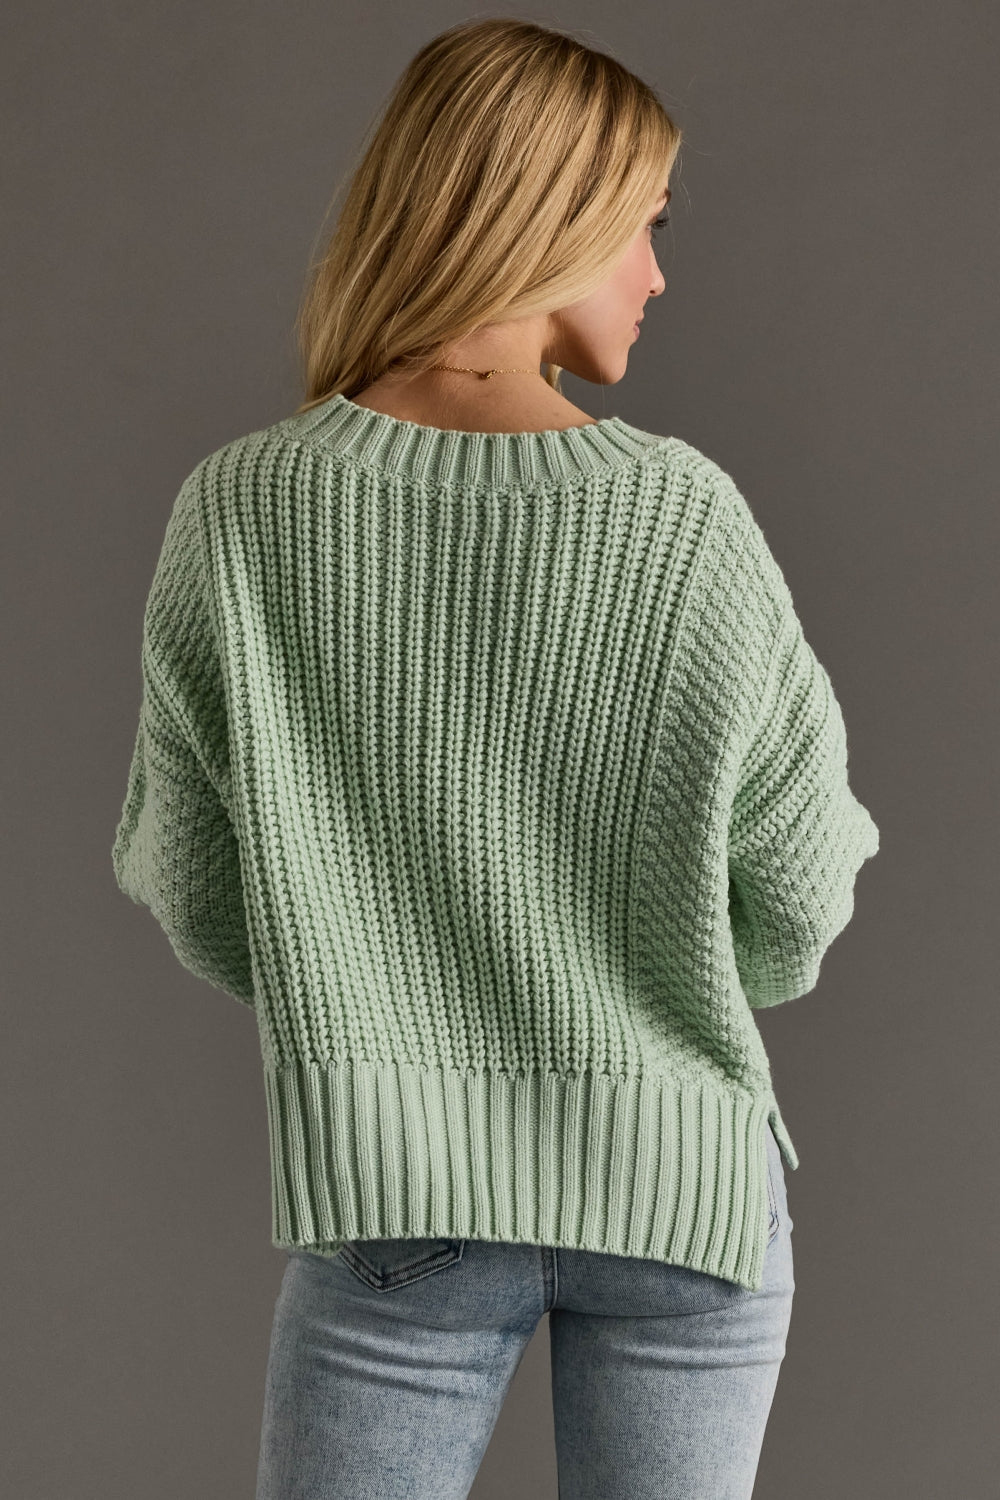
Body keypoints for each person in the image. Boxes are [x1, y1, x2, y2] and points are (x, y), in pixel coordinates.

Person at [110, 17, 880, 1500]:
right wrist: (649, 974)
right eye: (645, 228)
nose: (657, 275)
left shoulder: (243, 511)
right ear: (549, 216)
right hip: (685, 1198)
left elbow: (197, 889)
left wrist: (378, 988)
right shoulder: (685, 521)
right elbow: (799, 900)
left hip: (398, 1197)